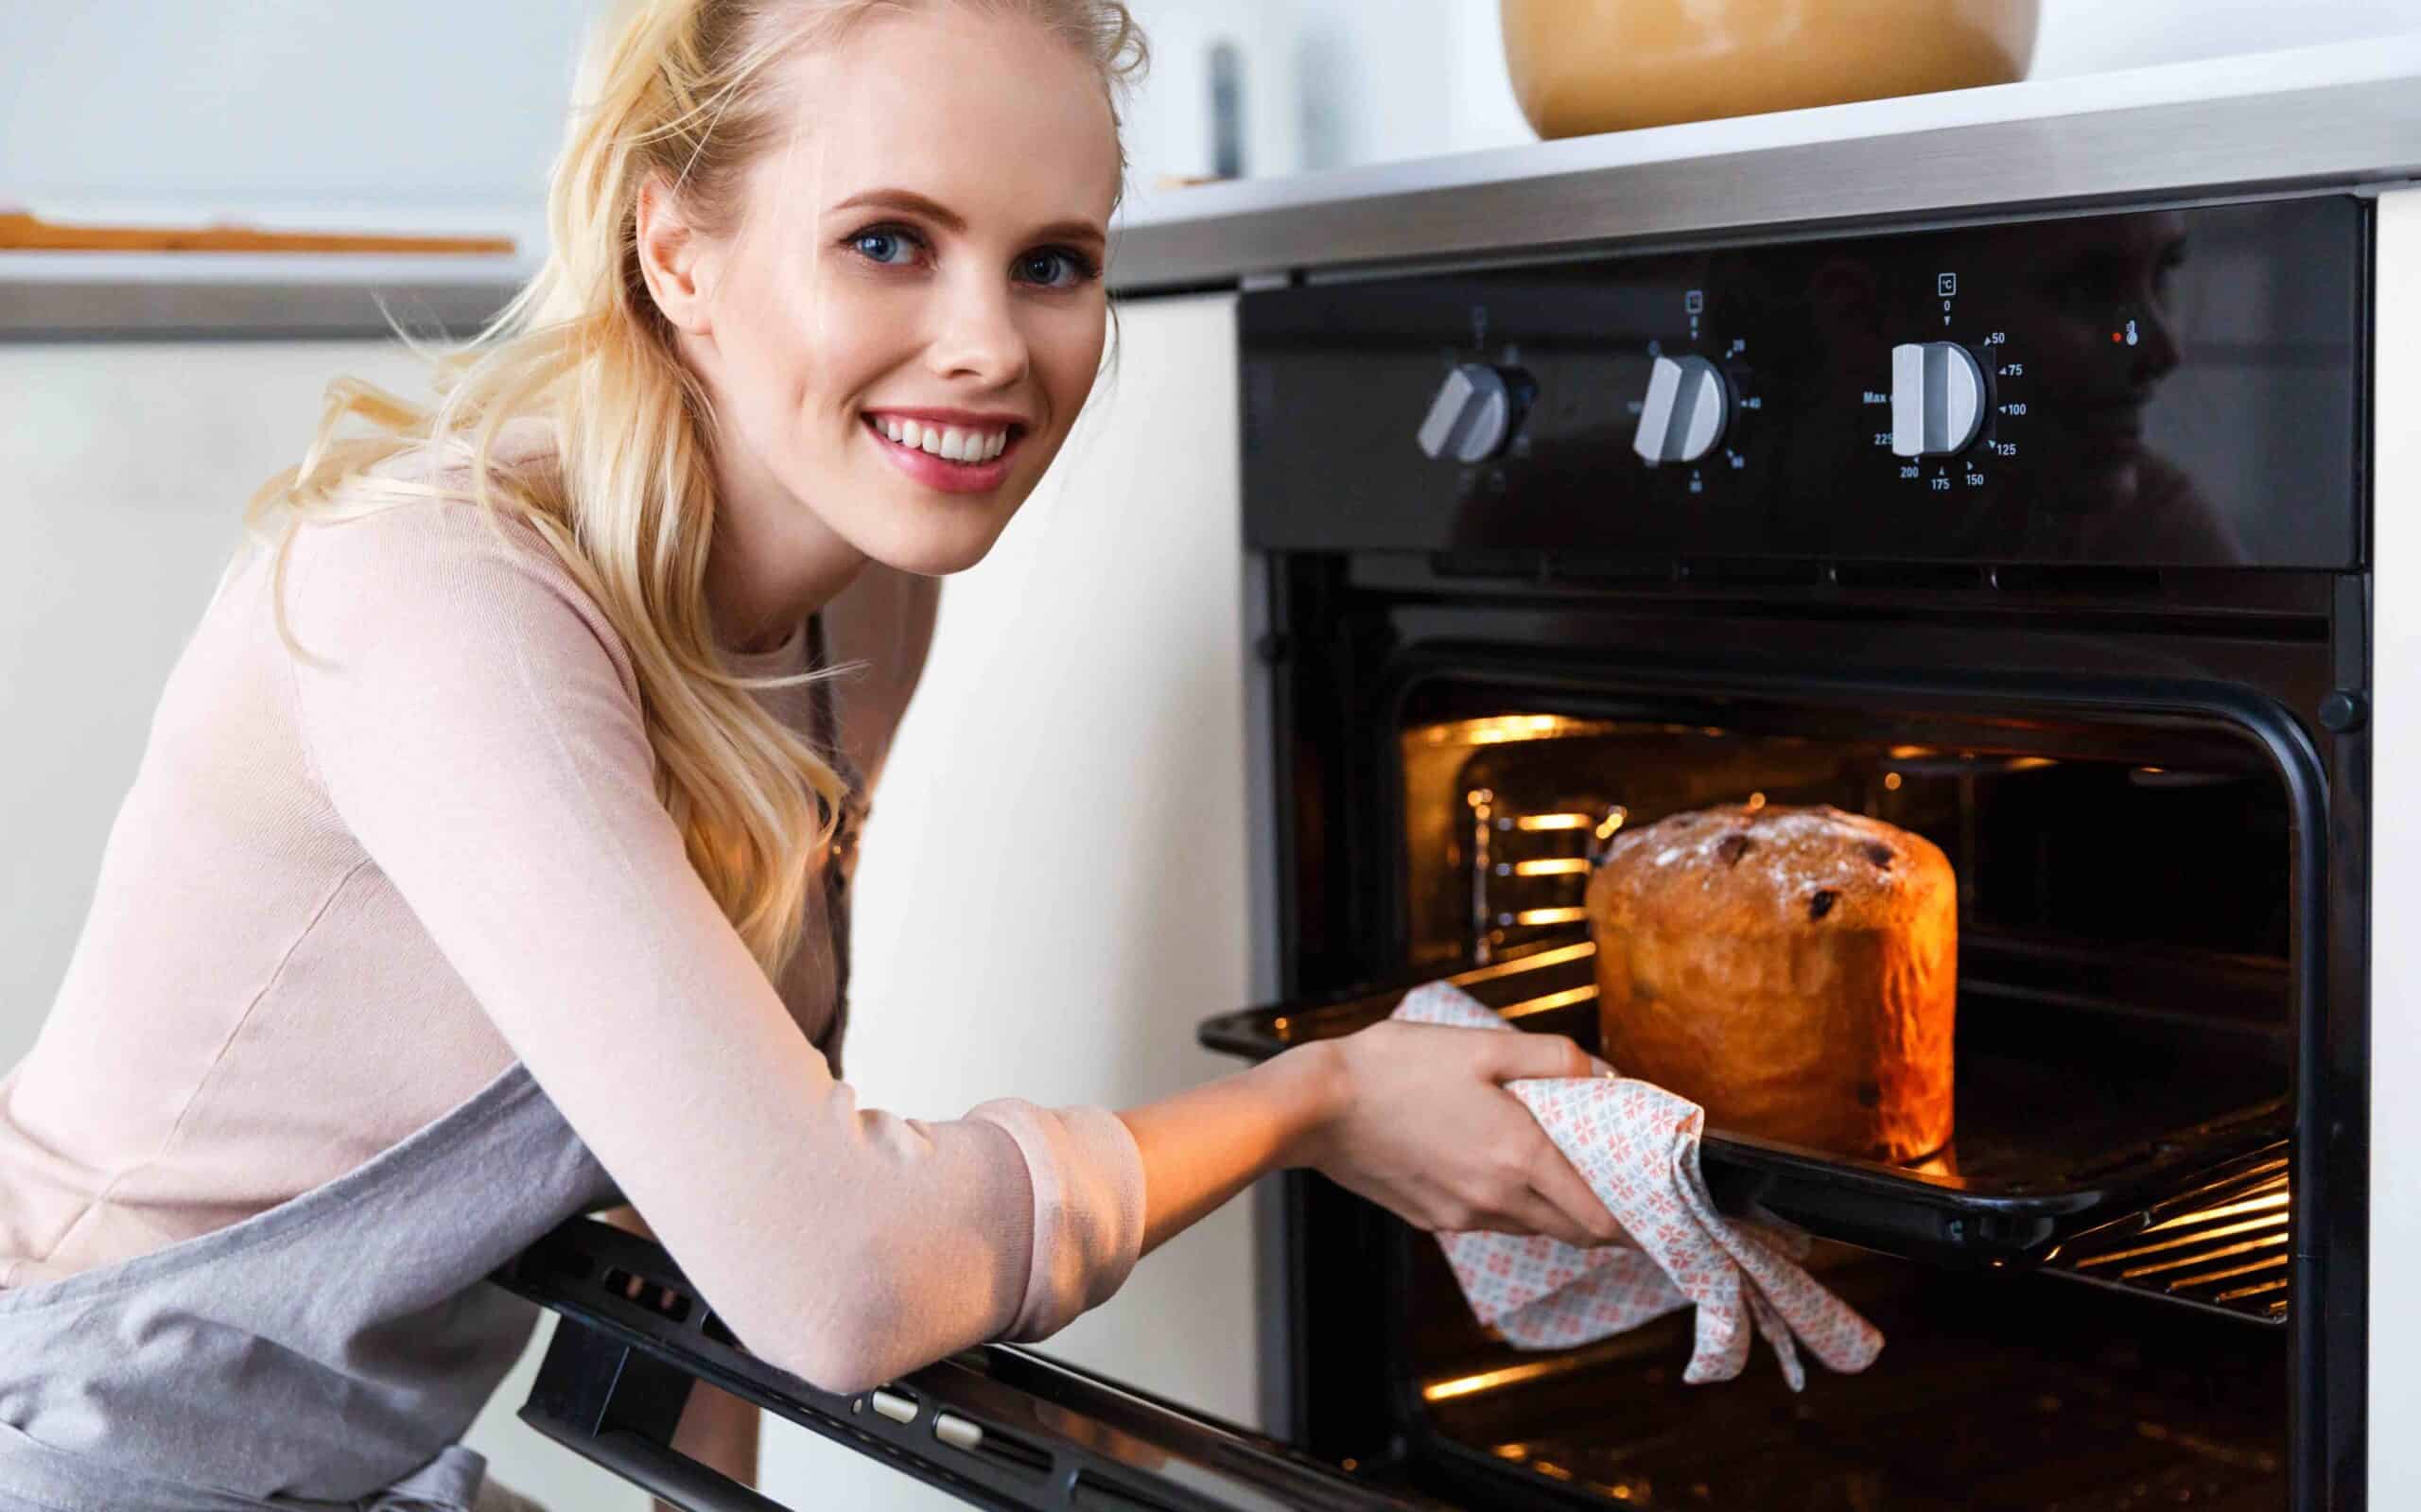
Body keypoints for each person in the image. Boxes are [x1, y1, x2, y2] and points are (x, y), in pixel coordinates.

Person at [0, 2, 1622, 1508]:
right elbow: (837, 1276)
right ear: (678, 250)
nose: (990, 346)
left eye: (1053, 262)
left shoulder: (867, 597)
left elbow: (700, 1221)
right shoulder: (440, 598)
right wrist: (1316, 1100)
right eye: (890, 242)